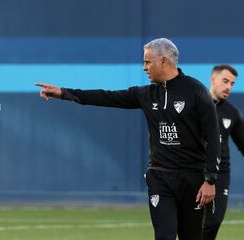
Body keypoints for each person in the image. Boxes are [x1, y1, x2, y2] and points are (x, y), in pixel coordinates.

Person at [36, 38, 220, 240]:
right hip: (160, 178)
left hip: (192, 180)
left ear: (164, 61)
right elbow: (107, 97)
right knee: (164, 235)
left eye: (148, 62)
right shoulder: (146, 94)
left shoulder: (196, 91)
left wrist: (210, 180)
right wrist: (64, 93)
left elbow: (213, 137)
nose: (144, 68)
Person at [202, 64, 244, 239]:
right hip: (195, 169)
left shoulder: (232, 113)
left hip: (221, 173)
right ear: (213, 79)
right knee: (191, 221)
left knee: (214, 220)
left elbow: (243, 141)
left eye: (232, 83)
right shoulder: (196, 105)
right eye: (225, 81)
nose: (228, 87)